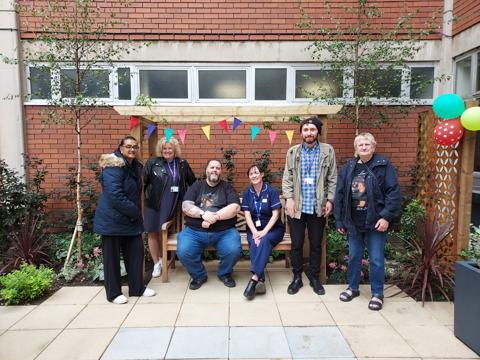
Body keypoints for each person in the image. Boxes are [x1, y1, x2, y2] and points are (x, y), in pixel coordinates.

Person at [334, 132, 401, 311]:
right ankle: (353, 288)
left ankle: (377, 294)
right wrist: (339, 220)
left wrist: (386, 216)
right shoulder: (348, 167)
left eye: (367, 144)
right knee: (354, 257)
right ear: (355, 148)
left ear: (374, 146)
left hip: (376, 222)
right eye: (360, 145)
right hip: (354, 223)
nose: (364, 147)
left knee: (376, 259)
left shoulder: (384, 165)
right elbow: (339, 195)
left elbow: (393, 193)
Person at [93, 136, 155, 304]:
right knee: (111, 258)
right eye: (128, 146)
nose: (132, 150)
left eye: (135, 147)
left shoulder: (135, 166)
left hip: (129, 219)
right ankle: (113, 293)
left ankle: (137, 288)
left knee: (136, 253)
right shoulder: (113, 166)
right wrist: (136, 212)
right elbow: (115, 195)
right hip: (112, 220)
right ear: (120, 148)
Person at [282, 116, 337, 295]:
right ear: (301, 132)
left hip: (317, 206)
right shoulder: (293, 152)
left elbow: (332, 178)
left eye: (312, 129)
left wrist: (330, 200)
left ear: (318, 131)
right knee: (296, 244)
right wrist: (289, 198)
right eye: (305, 130)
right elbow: (287, 178)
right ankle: (297, 277)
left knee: (315, 244)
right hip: (297, 207)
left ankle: (314, 278)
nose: (309, 133)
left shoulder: (328, 151)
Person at [176, 159, 242, 290]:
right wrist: (203, 215)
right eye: (212, 167)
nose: (214, 170)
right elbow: (186, 206)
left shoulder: (227, 187)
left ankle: (224, 273)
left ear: (221, 172)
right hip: (195, 231)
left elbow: (235, 207)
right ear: (206, 170)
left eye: (217, 168)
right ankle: (199, 275)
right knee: (183, 251)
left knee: (233, 250)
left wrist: (215, 217)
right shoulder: (197, 186)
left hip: (224, 231)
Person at [143, 137, 196, 278]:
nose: (167, 151)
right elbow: (143, 182)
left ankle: (163, 259)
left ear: (175, 150)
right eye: (165, 148)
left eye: (170, 148)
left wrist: (191, 200)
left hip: (171, 203)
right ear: (161, 150)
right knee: (153, 232)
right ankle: (157, 263)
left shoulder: (182, 164)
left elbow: (193, 183)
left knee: (163, 230)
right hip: (153, 204)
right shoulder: (153, 163)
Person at [241, 164, 285, 300]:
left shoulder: (271, 191)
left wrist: (264, 232)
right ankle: (260, 281)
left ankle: (254, 278)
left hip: (273, 229)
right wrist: (255, 232)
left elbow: (276, 215)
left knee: (263, 240)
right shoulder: (247, 192)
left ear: (262, 174)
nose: (253, 175)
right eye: (251, 174)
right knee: (255, 243)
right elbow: (247, 215)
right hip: (254, 229)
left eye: (256, 172)